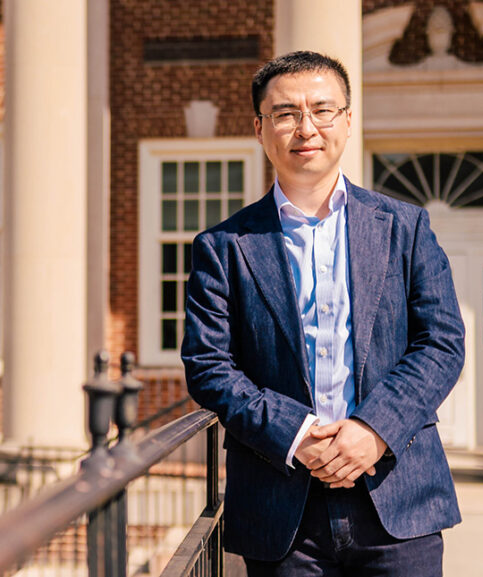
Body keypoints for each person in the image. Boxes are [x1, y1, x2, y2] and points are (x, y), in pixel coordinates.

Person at [181, 50, 466, 576]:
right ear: (260, 128)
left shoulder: (405, 227)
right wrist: (296, 435)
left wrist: (374, 429)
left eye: (322, 110)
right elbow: (208, 366)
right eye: (285, 113)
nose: (305, 128)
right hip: (282, 508)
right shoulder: (222, 246)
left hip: (397, 497)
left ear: (348, 120)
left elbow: (442, 343)